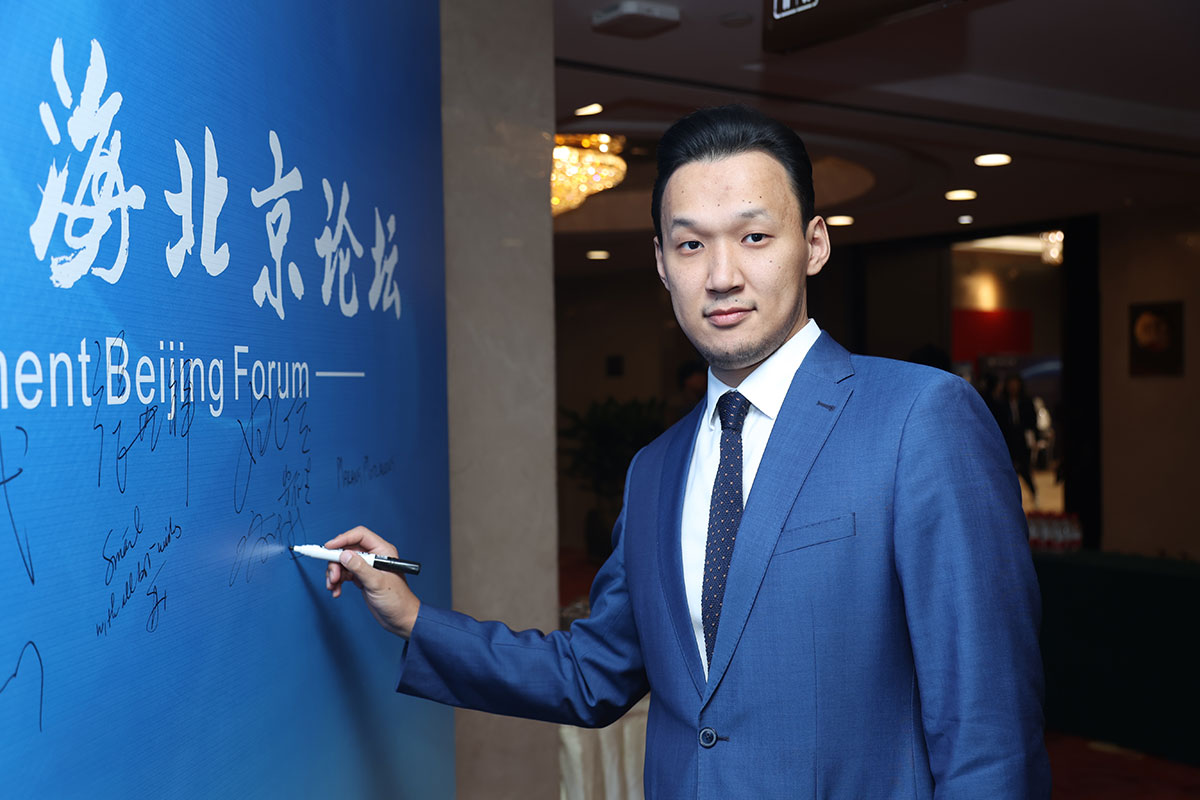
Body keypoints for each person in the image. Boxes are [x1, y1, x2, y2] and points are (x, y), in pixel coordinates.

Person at [325, 105, 1050, 798]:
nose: (722, 275)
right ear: (662, 263)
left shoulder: (918, 418)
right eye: (691, 244)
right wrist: (413, 617)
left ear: (815, 244)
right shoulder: (655, 471)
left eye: (754, 237)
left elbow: (987, 731)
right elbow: (592, 673)